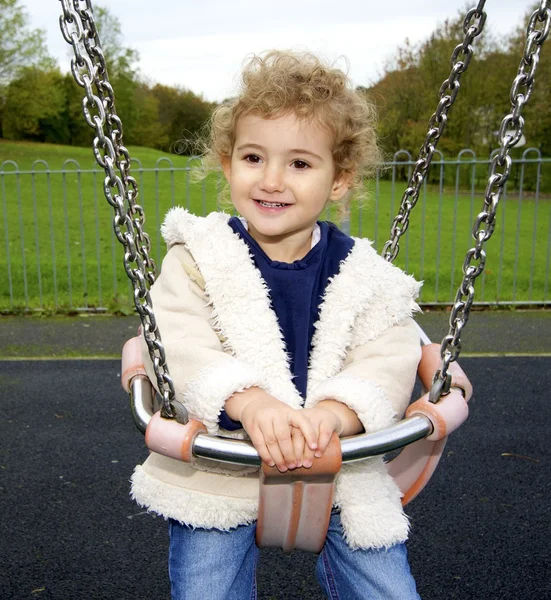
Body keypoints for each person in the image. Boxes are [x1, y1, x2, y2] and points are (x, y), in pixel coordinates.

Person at [131, 50, 422, 600]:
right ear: (227, 163)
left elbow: (389, 352)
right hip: (222, 465)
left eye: (300, 163)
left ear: (341, 179)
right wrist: (249, 402)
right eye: (253, 157)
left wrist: (337, 414)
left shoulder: (364, 274)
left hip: (340, 468)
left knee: (389, 590)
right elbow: (177, 340)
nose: (271, 180)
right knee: (206, 591)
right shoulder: (198, 257)